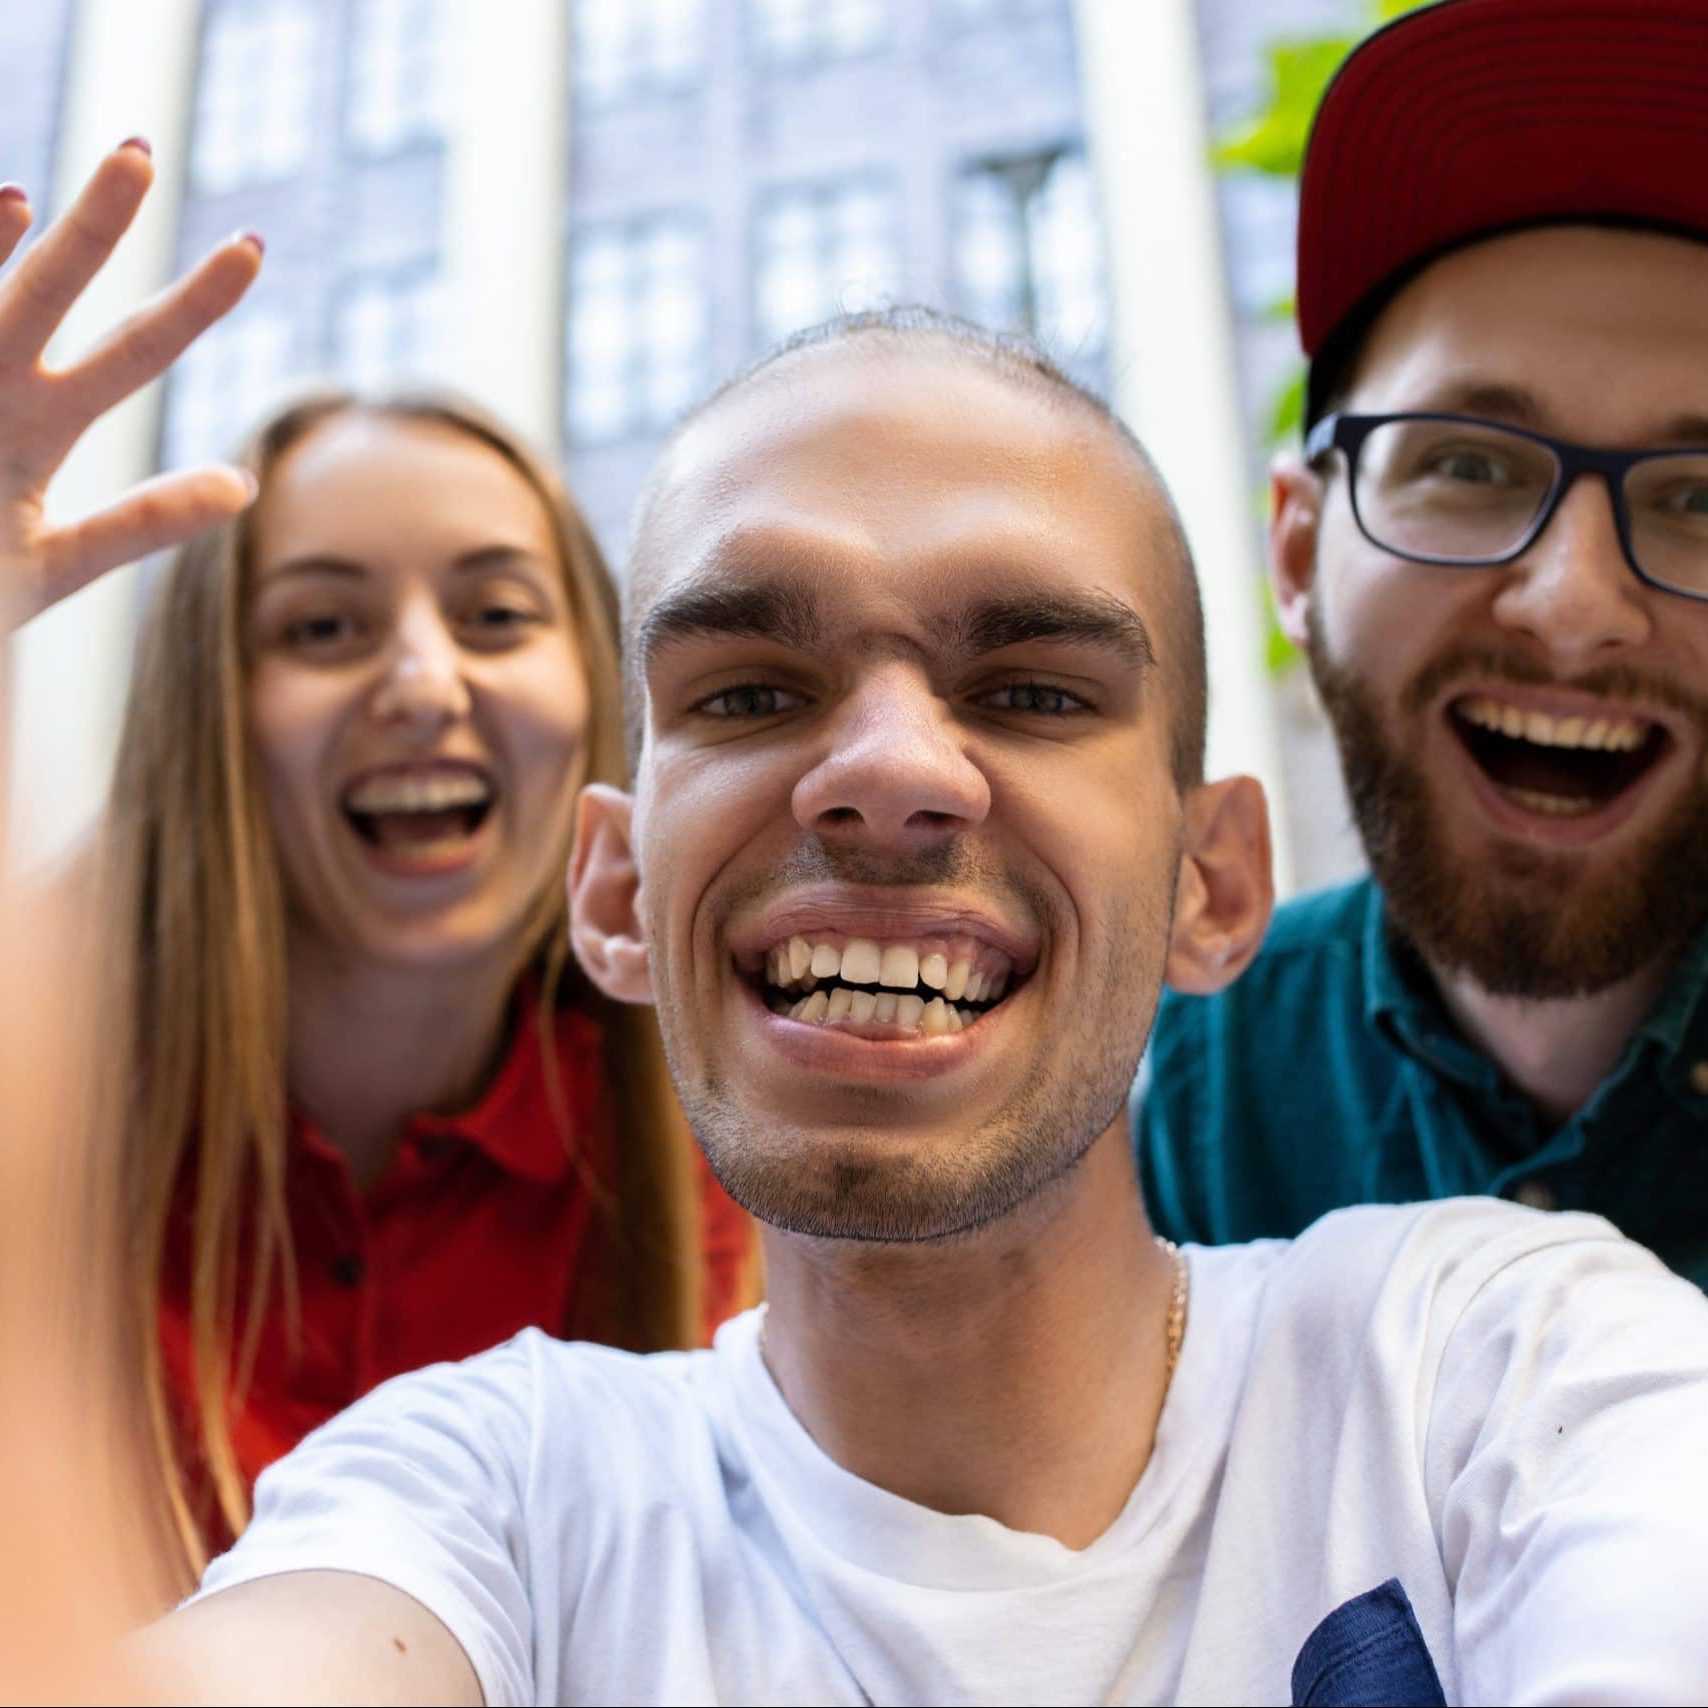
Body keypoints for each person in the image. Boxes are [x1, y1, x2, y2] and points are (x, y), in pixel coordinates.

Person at [128, 310, 1708, 1705]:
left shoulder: (1501, 1362)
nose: (886, 776)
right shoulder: (477, 1496)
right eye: (749, 692)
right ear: (610, 889)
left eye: (1035, 691)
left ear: (1216, 883)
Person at [0, 142, 752, 1582]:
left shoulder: (730, 1136)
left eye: (494, 614)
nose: (422, 683)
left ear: (597, 694)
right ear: (207, 716)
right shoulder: (36, 1084)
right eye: (324, 629)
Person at [1136, 0, 1708, 1284]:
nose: (1573, 601)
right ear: (1295, 553)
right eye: (1465, 464)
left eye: (1700, 496)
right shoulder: (1186, 1098)